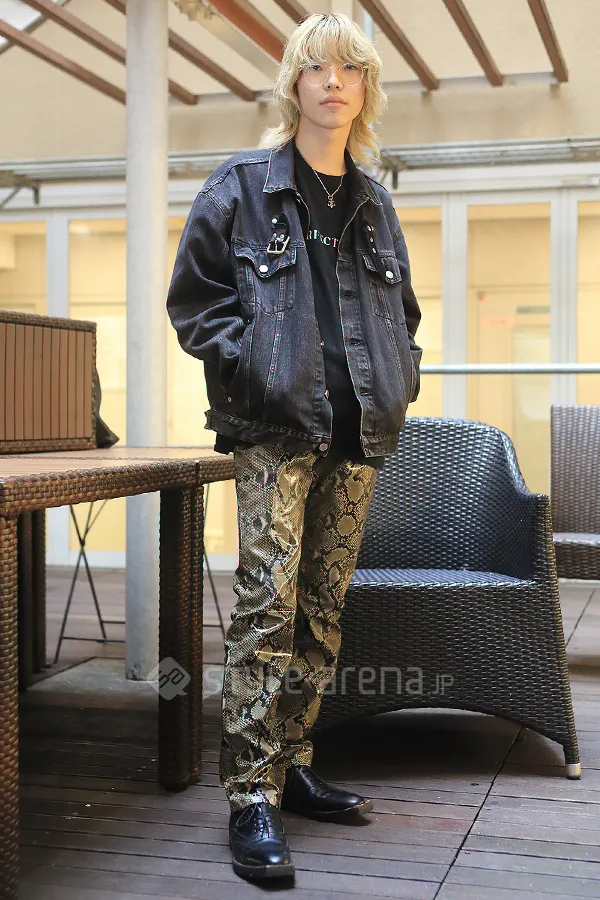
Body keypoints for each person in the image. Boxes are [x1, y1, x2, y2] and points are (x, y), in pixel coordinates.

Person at [167, 11, 422, 882]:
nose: (333, 82)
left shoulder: (374, 201)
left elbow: (402, 315)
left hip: (358, 435)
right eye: (317, 67)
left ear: (365, 88)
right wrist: (255, 367)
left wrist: (400, 376)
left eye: (350, 68)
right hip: (275, 432)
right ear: (295, 84)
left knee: (321, 609)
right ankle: (251, 794)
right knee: (266, 606)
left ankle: (292, 761)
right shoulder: (241, 186)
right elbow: (195, 302)